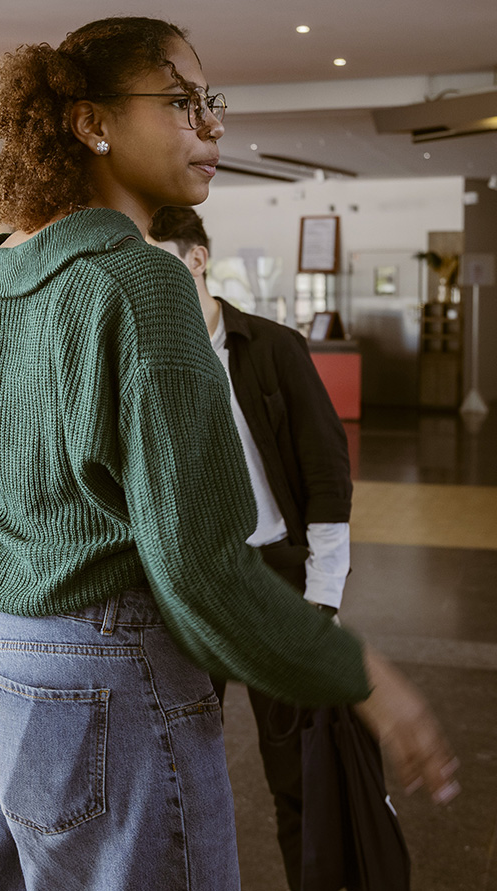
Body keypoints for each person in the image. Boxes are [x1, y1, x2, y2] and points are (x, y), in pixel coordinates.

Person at [0, 16, 458, 890]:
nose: (212, 124)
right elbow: (199, 565)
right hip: (96, 684)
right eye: (182, 101)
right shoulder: (146, 281)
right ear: (92, 123)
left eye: (209, 101)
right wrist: (362, 676)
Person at [149, 204, 351, 891]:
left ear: (197, 259)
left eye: (159, 264)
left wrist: (323, 598)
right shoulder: (147, 358)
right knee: (178, 773)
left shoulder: (272, 348)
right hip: (194, 588)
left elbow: (326, 473)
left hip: (275, 582)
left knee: (298, 772)